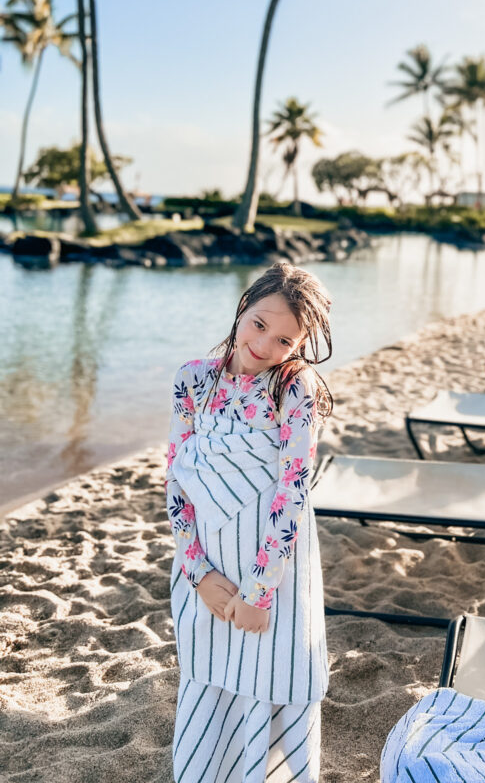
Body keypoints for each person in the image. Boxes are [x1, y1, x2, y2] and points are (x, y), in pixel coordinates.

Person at [165, 261, 333, 783]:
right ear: (243, 309)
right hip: (207, 559)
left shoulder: (293, 388)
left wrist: (259, 592)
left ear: (300, 346)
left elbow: (292, 490)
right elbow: (176, 477)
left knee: (271, 675)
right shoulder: (193, 380)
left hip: (273, 569)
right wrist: (198, 574)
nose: (264, 346)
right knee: (209, 674)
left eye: (284, 340)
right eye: (259, 324)